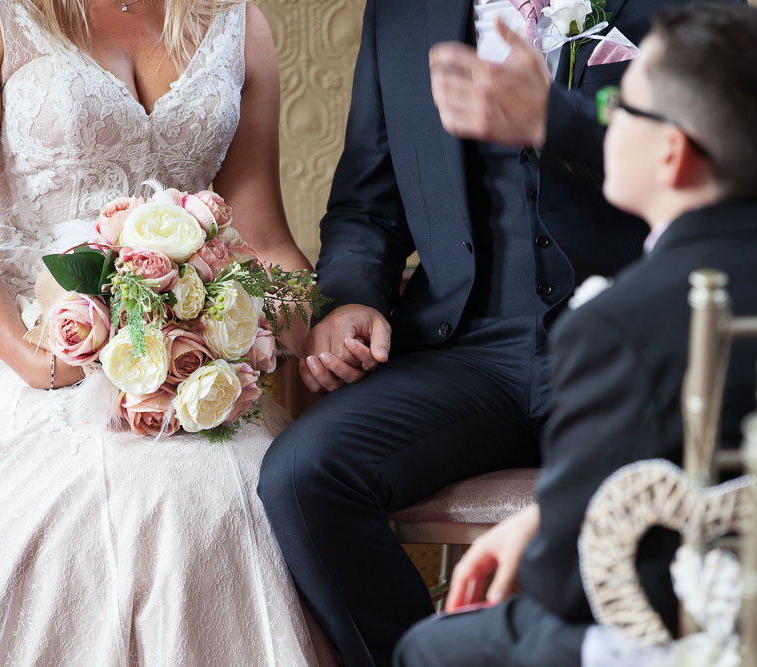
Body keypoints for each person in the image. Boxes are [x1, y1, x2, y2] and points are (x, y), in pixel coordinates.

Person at [0, 0, 332, 664]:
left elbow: (264, 235)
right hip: (20, 332)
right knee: (107, 498)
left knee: (239, 484)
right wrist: (37, 360)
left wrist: (312, 327)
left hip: (177, 343)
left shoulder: (239, 22)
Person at [394, 3, 757, 665]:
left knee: (429, 647)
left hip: (668, 635)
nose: (601, 127)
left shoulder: (615, 323)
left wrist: (550, 536)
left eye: (619, 110)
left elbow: (567, 584)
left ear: (672, 151)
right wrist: (542, 514)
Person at [256, 0, 705, 665]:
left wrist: (557, 123)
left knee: (645, 502)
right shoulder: (402, 12)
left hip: (626, 343)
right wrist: (350, 301)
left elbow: (721, 148)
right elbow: (366, 204)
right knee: (302, 475)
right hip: (463, 346)